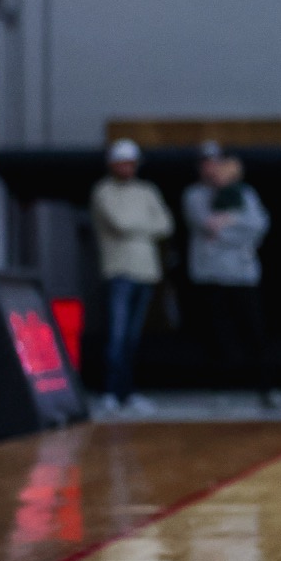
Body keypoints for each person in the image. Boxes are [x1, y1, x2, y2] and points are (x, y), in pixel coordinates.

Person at [183, 146, 274, 408]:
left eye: (216, 161)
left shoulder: (245, 193)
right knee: (218, 335)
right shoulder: (195, 195)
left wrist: (227, 225)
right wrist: (234, 226)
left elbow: (258, 226)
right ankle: (219, 391)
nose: (211, 167)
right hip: (212, 275)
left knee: (255, 332)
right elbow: (207, 225)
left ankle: (266, 390)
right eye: (205, 162)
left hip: (243, 275)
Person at [90, 139, 173, 414]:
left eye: (131, 163)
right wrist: (146, 224)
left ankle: (128, 392)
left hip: (145, 271)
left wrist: (140, 224)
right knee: (116, 335)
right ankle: (111, 392)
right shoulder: (103, 191)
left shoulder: (147, 190)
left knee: (133, 338)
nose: (127, 168)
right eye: (122, 163)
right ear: (113, 164)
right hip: (119, 271)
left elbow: (166, 225)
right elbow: (121, 224)